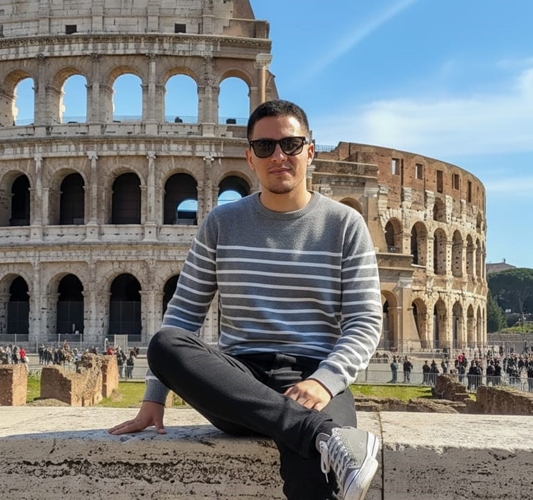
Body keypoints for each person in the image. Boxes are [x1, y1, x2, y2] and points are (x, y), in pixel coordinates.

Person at [109, 100, 383, 500]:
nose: (279, 156)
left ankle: (313, 433)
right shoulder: (222, 223)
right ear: (250, 157)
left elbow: (365, 320)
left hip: (314, 372)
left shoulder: (345, 224)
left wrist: (324, 382)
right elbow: (183, 314)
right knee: (165, 345)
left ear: (310, 151)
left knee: (315, 471)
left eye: (291, 144)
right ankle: (322, 433)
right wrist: (155, 396)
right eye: (265, 147)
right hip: (240, 379)